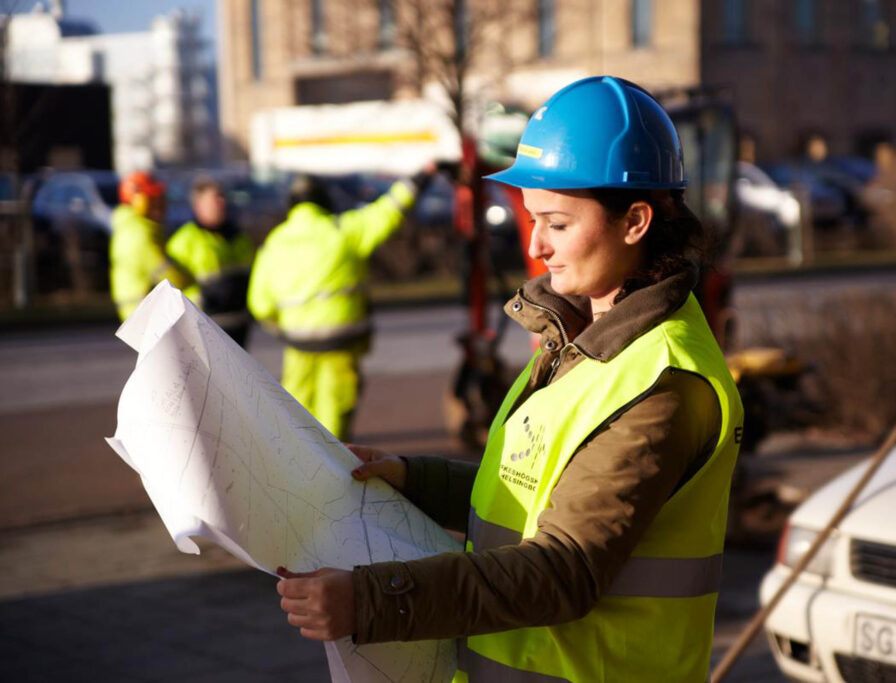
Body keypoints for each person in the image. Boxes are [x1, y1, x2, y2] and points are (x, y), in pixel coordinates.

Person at [276, 76, 744, 682]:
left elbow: (563, 569)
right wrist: (415, 480)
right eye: (531, 219)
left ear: (635, 221)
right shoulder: (583, 334)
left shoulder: (662, 383)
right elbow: (536, 494)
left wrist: (370, 601)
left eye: (557, 223)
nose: (537, 245)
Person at [248, 169, 434, 440]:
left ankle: (299, 457)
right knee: (335, 407)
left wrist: (282, 326)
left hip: (298, 342)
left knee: (296, 405)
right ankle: (332, 459)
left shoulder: (275, 241)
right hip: (340, 339)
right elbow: (388, 210)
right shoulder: (344, 230)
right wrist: (420, 179)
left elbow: (259, 304)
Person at [166, 175, 255, 347]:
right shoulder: (184, 241)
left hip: (239, 325)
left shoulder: (240, 238)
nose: (222, 202)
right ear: (198, 205)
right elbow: (172, 289)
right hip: (204, 327)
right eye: (215, 198)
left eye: (222, 197)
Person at [109, 171, 194, 321]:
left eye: (160, 199)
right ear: (137, 201)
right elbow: (169, 276)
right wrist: (193, 280)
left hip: (145, 312)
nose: (159, 205)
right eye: (153, 200)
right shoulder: (138, 233)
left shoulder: (137, 227)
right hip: (146, 315)